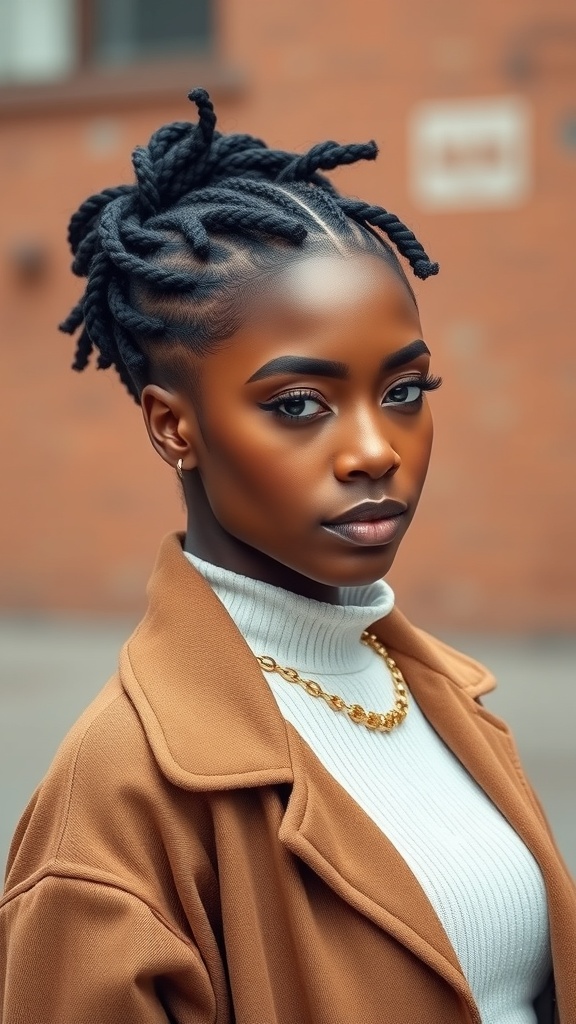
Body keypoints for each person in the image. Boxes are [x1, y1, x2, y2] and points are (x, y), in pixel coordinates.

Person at [0, 88, 573, 1024]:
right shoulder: (117, 802)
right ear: (173, 426)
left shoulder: (442, 697)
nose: (376, 450)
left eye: (404, 389)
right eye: (300, 403)